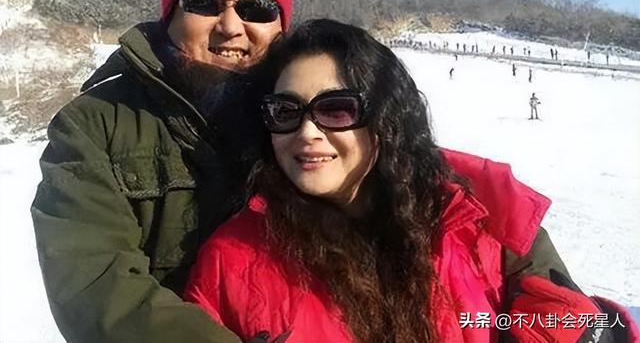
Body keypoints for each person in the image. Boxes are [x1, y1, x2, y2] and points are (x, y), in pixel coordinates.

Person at [185, 20, 638, 342]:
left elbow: (577, 324)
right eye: (285, 111)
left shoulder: (479, 221)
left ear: (385, 118)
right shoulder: (232, 259)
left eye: (336, 109)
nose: (307, 132)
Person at [31, 0, 293, 343]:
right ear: (170, 14)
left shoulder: (310, 118)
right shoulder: (95, 124)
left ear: (280, 27)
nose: (230, 26)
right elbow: (96, 284)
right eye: (204, 2)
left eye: (256, 8)